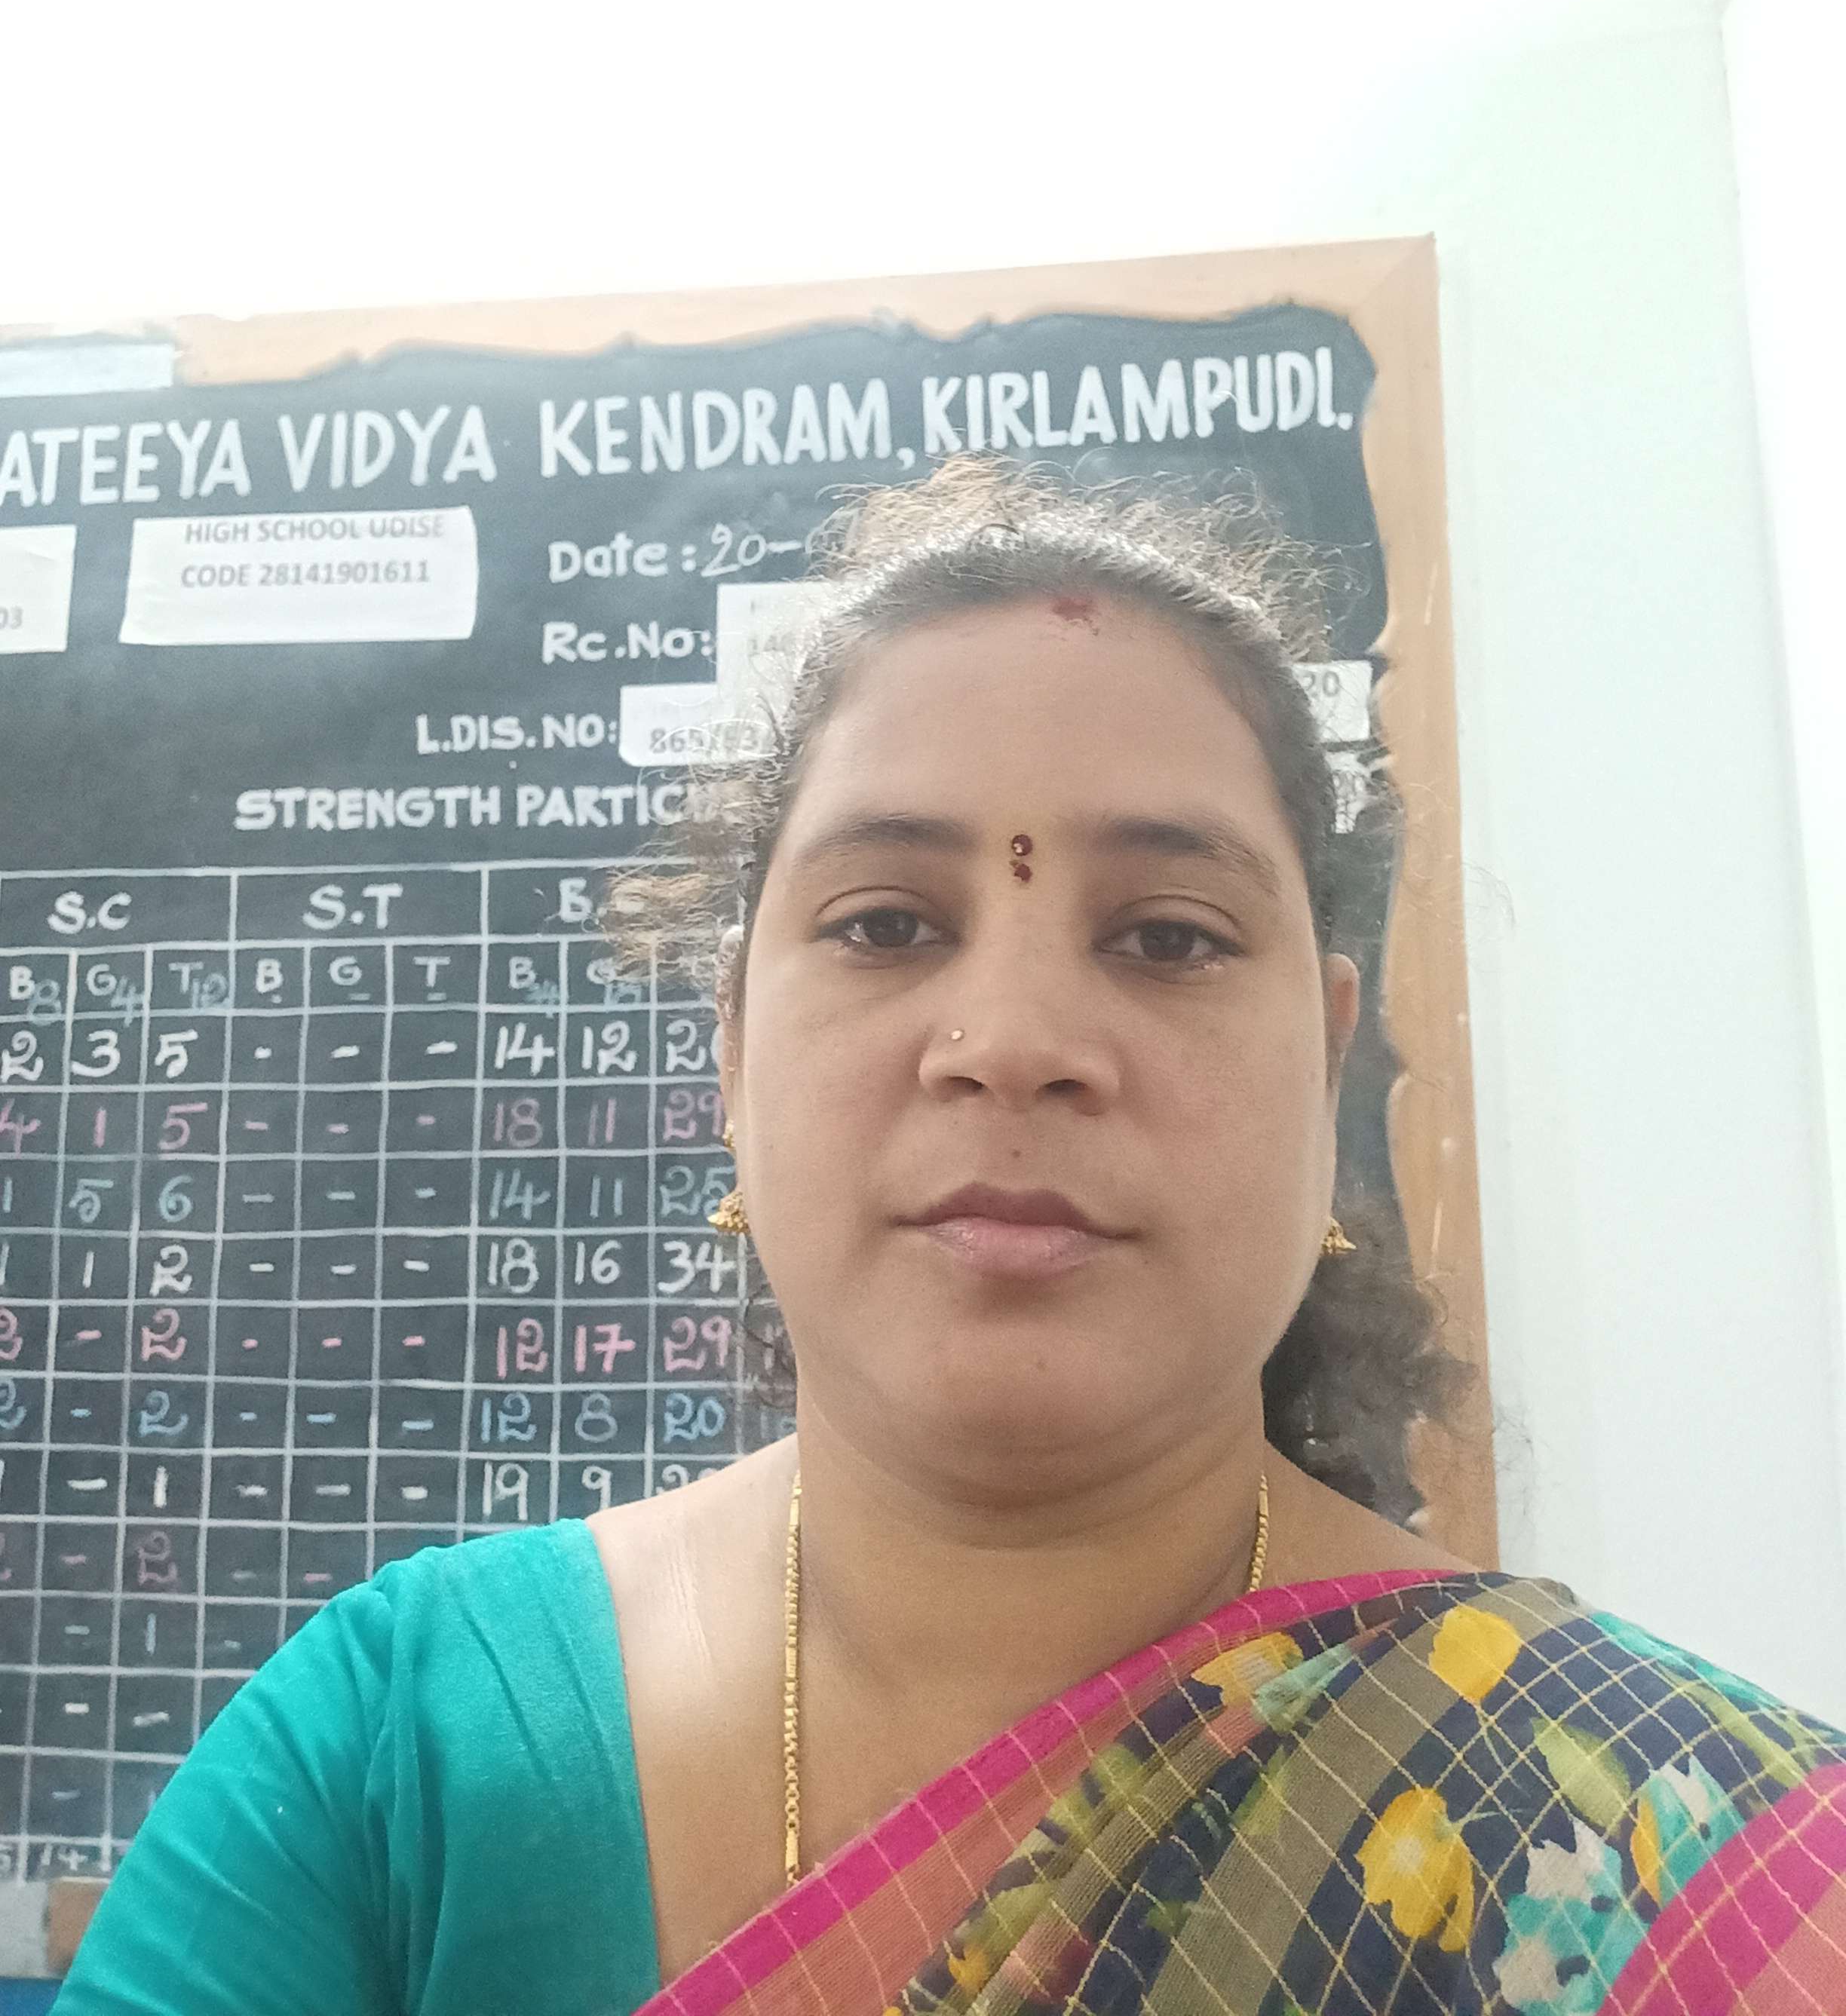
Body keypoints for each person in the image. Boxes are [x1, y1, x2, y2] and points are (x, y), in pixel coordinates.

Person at [60, 460, 1846, 2015]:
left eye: (1167, 937)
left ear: (1324, 1061)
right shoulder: (398, 1762)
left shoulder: (1681, 1860)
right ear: (732, 1053)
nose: (1012, 1040)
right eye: (886, 923)